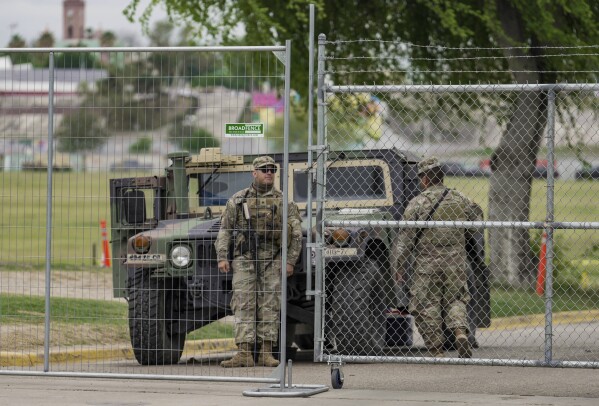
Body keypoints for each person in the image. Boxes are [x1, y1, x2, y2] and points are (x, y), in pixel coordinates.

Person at [215, 156, 303, 368]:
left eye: (272, 169)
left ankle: (265, 352)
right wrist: (222, 256)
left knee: (269, 304)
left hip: (273, 258)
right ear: (254, 173)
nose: (269, 173)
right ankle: (244, 352)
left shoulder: (285, 202)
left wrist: (290, 261)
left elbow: (297, 234)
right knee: (243, 302)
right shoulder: (238, 200)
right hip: (245, 259)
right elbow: (225, 230)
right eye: (264, 169)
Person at [391, 156, 483, 358]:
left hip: (427, 265)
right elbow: (477, 218)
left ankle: (436, 349)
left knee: (425, 305)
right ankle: (460, 333)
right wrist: (463, 234)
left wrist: (398, 266)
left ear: (424, 179)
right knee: (456, 300)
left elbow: (404, 239)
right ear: (441, 176)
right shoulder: (459, 198)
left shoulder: (417, 203)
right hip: (456, 263)